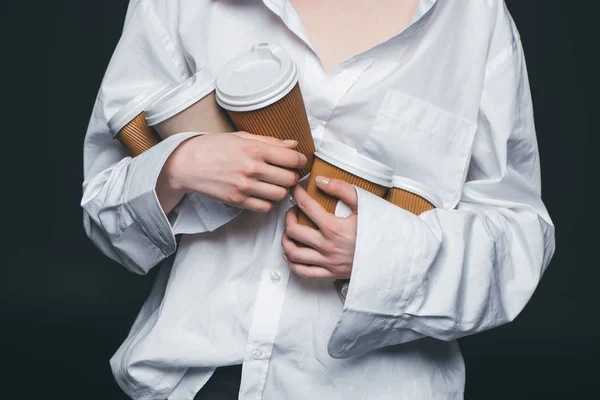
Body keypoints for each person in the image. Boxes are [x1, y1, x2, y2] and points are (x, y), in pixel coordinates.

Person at [81, 0, 556, 399]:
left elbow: (518, 239)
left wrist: (379, 256)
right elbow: (103, 213)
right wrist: (177, 167)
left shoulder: (473, 18)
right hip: (196, 380)